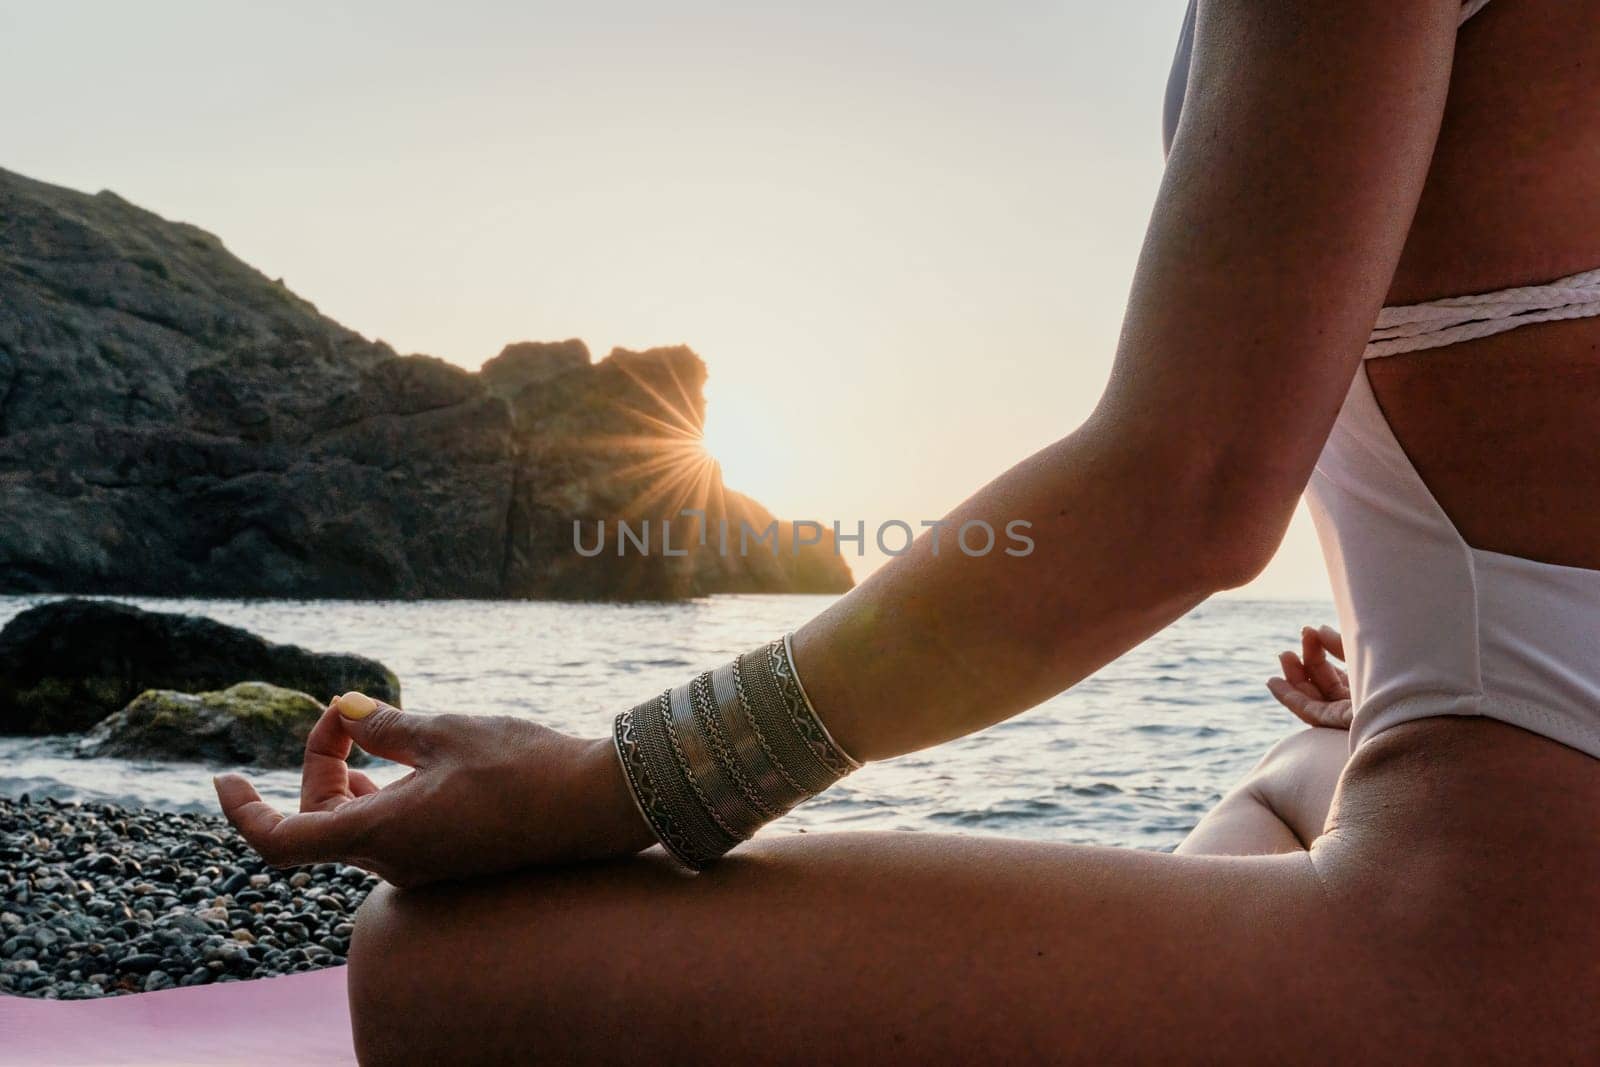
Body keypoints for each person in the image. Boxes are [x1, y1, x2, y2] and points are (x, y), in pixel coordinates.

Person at [216, 1, 1600, 1061]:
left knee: (440, 965)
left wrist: (608, 782)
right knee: (1293, 774)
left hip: (1509, 956)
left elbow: (1180, 500)